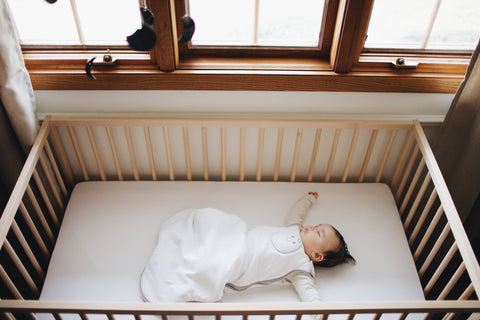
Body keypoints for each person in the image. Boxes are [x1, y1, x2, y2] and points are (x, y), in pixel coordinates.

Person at [141, 192, 355, 303]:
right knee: (217, 223)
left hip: (241, 261)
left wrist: (318, 310)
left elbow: (308, 292)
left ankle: (179, 272)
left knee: (211, 264)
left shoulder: (300, 270)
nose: (312, 227)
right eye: (317, 225)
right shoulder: (294, 228)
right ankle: (192, 238)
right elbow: (297, 214)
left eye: (319, 232)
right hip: (239, 237)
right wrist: (307, 200)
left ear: (317, 255)